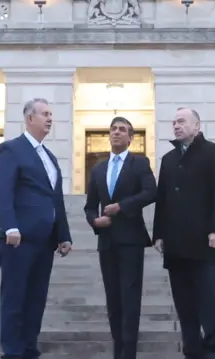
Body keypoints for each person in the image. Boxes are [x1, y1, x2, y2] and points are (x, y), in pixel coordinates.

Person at [0, 98, 73, 359]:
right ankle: (13, 352)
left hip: (45, 241)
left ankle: (28, 348)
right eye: (45, 114)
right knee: (15, 298)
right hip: (19, 238)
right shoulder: (11, 149)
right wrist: (10, 227)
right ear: (29, 118)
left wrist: (63, 235)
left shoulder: (49, 157)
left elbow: (55, 197)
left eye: (51, 114)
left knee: (36, 299)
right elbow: (4, 192)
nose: (50, 118)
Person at [152, 107, 215, 359]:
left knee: (208, 303)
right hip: (175, 246)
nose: (176, 126)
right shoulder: (168, 159)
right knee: (184, 307)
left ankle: (211, 351)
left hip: (202, 243)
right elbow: (162, 199)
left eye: (182, 121)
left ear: (197, 126)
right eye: (174, 122)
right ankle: (192, 352)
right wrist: (159, 234)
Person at [83, 116, 157, 359]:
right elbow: (90, 206)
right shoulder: (98, 169)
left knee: (130, 299)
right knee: (113, 299)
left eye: (122, 130)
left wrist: (122, 206)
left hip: (131, 241)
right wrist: (95, 221)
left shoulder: (139, 163)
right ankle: (118, 352)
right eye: (113, 129)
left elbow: (151, 192)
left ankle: (129, 354)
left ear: (131, 138)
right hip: (107, 242)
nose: (116, 133)